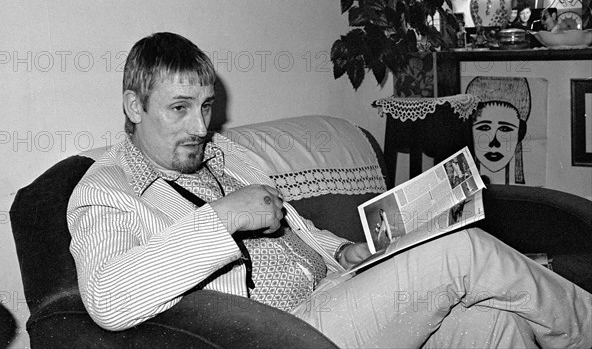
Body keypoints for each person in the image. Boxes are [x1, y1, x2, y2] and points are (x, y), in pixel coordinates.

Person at [67, 32, 592, 348]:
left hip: (335, 295)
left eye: (205, 106)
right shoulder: (107, 191)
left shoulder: (227, 158)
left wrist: (344, 251)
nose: (201, 126)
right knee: (461, 252)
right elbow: (109, 299)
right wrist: (223, 217)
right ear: (135, 108)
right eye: (179, 109)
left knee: (493, 326)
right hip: (282, 335)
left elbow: (296, 231)